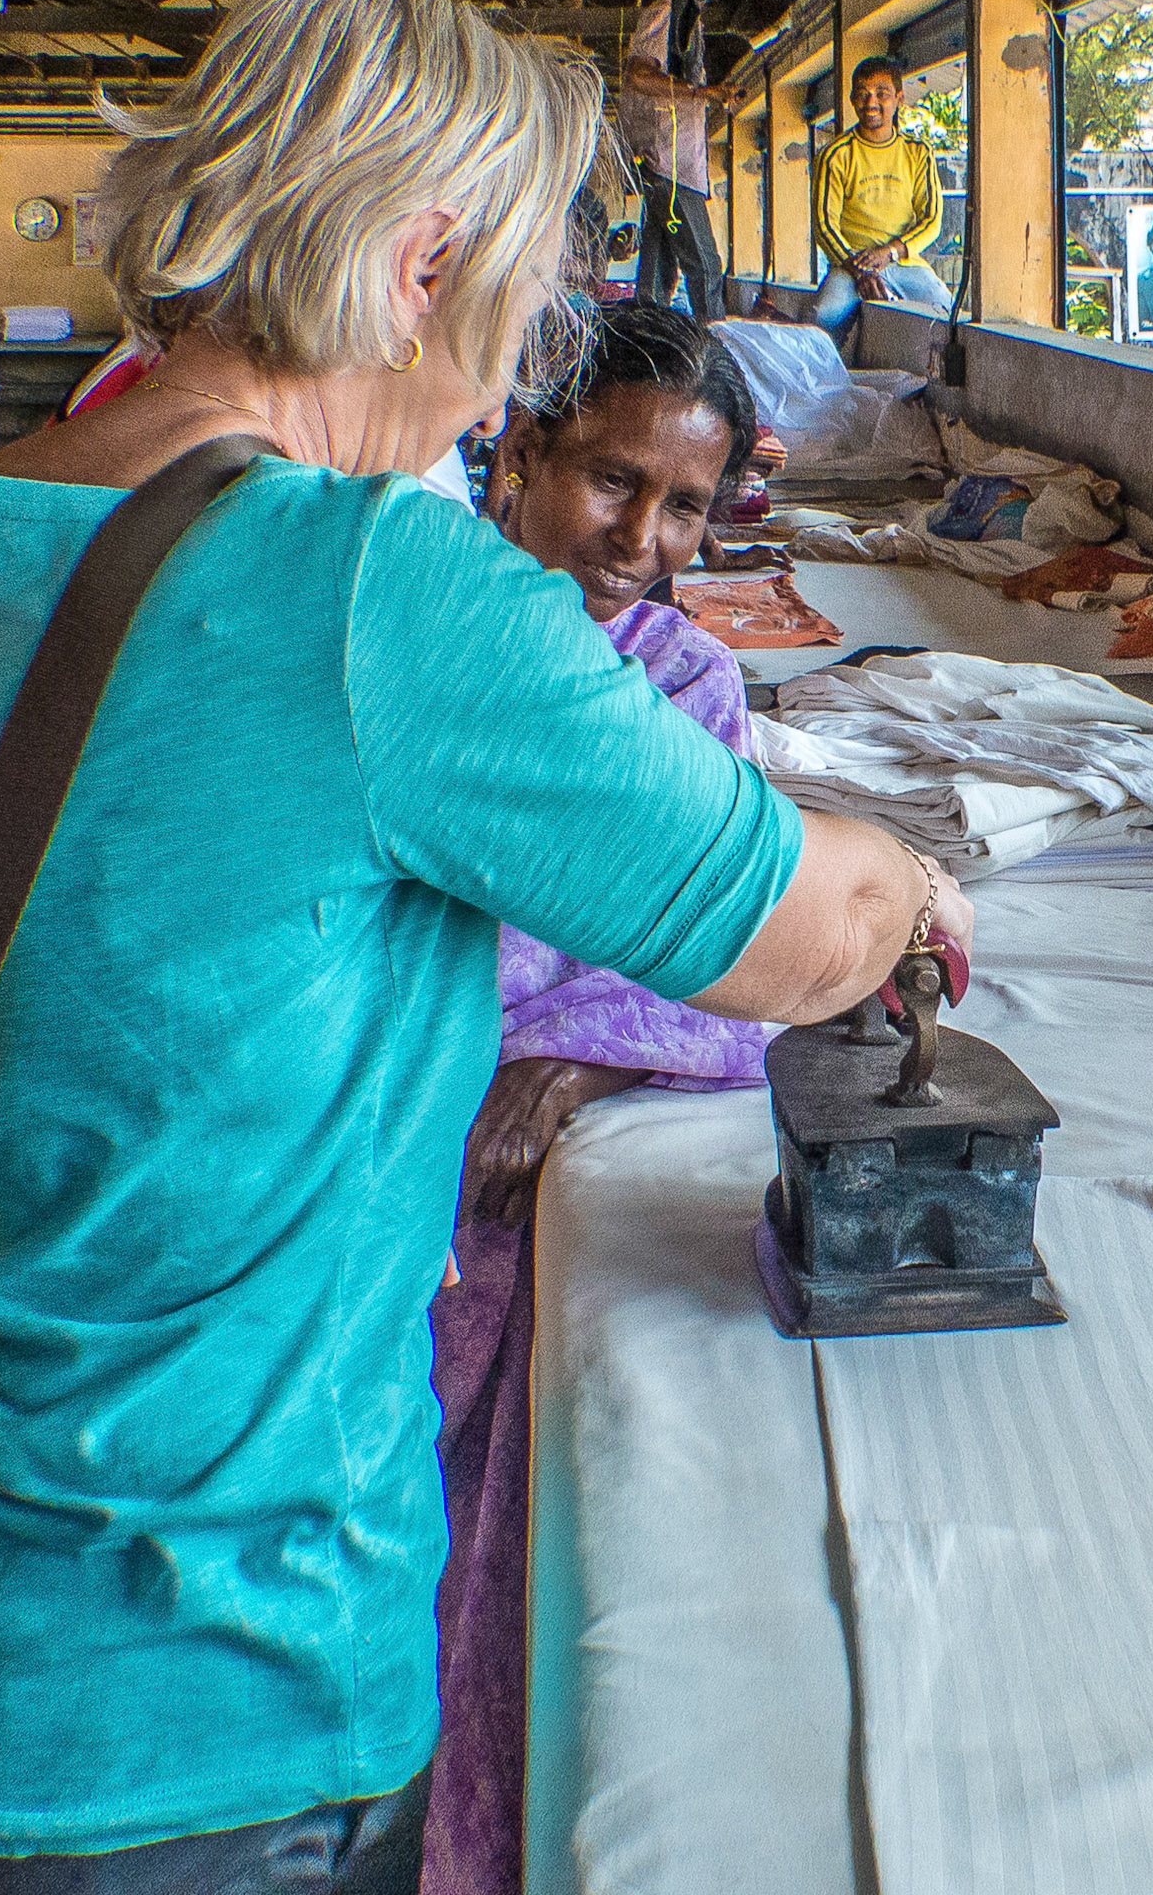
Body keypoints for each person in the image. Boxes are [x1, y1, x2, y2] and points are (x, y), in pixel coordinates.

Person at [0, 0, 970, 1895]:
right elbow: (790, 939)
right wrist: (907, 876)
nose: (507, 378)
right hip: (218, 1712)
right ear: (420, 263)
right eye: (516, 310)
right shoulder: (379, 587)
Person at [423, 302, 774, 1894]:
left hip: (481, 1170)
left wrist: (571, 1055)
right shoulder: (405, 628)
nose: (642, 541)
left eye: (686, 507)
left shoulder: (690, 690)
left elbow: (730, 957)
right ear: (519, 447)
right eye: (610, 482)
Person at [618, 0, 737, 324]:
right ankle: (715, 345)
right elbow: (638, 75)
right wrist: (702, 93)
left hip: (667, 168)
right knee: (704, 265)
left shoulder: (690, 24)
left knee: (657, 270)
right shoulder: (668, 16)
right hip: (670, 167)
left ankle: (645, 343)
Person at [812, 57, 952, 339]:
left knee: (947, 312)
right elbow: (824, 225)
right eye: (862, 94)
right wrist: (860, 269)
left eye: (882, 94)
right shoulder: (835, 155)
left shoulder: (918, 153)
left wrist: (889, 252)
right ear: (852, 100)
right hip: (850, 266)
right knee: (822, 315)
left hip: (903, 262)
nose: (871, 102)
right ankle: (823, 379)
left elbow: (932, 220)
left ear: (899, 98)